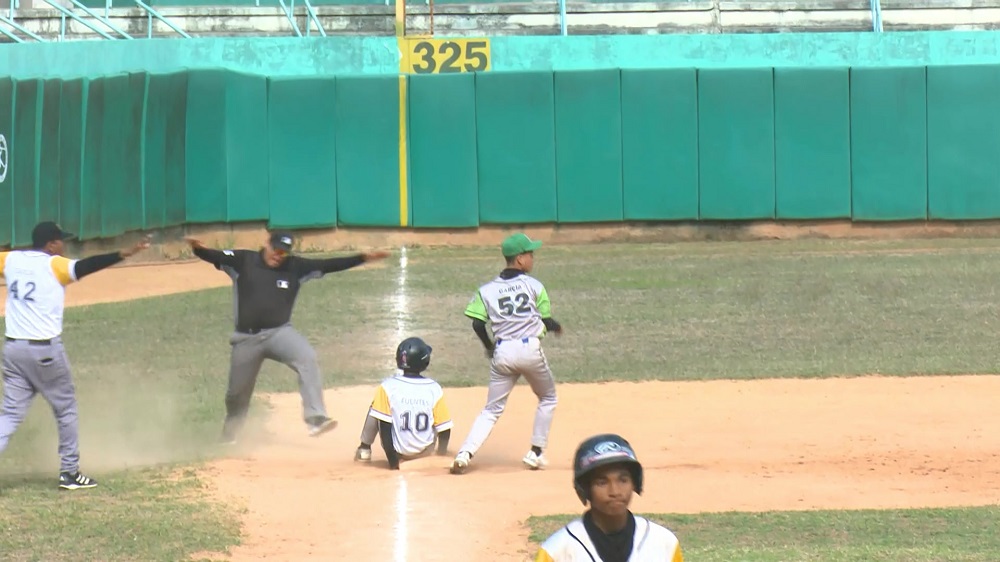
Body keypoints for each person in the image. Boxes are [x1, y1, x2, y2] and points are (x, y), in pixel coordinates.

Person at [184, 231, 389, 443]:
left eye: (284, 252)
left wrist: (362, 258)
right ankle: (229, 436)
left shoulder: (295, 267)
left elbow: (328, 264)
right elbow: (215, 256)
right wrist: (198, 249)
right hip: (246, 339)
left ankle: (316, 418)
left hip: (279, 332)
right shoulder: (244, 261)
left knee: (306, 356)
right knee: (237, 394)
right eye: (276, 249)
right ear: (267, 244)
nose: (279, 255)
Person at [0, 221, 151, 490]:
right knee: (66, 408)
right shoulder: (55, 265)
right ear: (50, 244)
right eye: (61, 241)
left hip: (12, 350)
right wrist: (122, 254)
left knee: (9, 414)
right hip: (44, 352)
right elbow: (86, 266)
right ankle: (69, 473)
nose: (64, 245)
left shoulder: (10, 259)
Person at [450, 232, 563, 475]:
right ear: (519, 259)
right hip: (529, 350)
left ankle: (464, 454)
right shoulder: (534, 286)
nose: (533, 258)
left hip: (502, 352)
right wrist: (555, 327)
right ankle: (535, 452)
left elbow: (477, 324)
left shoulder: (487, 290)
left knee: (491, 410)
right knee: (548, 398)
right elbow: (546, 319)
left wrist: (488, 346)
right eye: (530, 254)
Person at [534, 433, 685, 562]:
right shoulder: (557, 552)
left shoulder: (664, 543)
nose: (615, 491)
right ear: (585, 489)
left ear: (634, 483)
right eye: (602, 482)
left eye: (623, 480)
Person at [354, 336, 453, 469]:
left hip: (398, 454)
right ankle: (434, 457)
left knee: (377, 408)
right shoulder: (434, 388)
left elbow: (385, 428)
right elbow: (445, 429)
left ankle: (364, 449)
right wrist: (441, 454)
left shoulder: (387, 386)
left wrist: (393, 463)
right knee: (435, 416)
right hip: (426, 453)